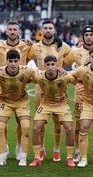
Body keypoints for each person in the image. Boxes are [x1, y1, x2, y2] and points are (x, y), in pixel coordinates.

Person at [63, 25, 93, 162]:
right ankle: (78, 151)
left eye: (91, 35)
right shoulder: (75, 51)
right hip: (81, 93)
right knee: (79, 123)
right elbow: (62, 64)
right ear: (83, 37)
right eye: (86, 35)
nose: (88, 37)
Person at [27, 20, 71, 161]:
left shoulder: (62, 46)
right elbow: (25, 58)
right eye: (45, 28)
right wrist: (25, 44)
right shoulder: (35, 46)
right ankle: (41, 148)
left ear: (54, 30)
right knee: (41, 121)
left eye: (50, 28)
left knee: (58, 121)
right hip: (41, 86)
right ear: (41, 30)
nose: (47, 30)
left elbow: (71, 57)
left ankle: (56, 149)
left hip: (58, 87)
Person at [0, 21, 32, 161]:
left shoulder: (26, 46)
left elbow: (41, 52)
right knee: (1, 121)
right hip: (2, 87)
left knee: (21, 121)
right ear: (6, 31)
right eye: (10, 29)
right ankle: (5, 148)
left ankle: (20, 146)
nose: (13, 32)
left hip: (21, 87)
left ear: (19, 31)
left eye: (15, 29)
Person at [29, 55, 75, 167]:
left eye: (53, 64)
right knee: (36, 128)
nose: (50, 67)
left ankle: (69, 158)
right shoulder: (39, 76)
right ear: (44, 66)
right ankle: (37, 157)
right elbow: (28, 78)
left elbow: (78, 79)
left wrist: (66, 72)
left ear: (57, 66)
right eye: (48, 65)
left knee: (69, 129)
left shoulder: (64, 76)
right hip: (45, 104)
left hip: (61, 104)